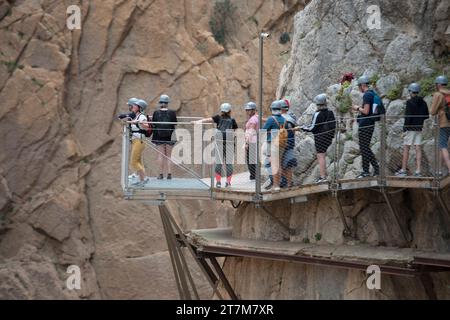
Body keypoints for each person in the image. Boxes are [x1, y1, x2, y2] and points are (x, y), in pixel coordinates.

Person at [195, 103, 238, 188]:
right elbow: (235, 131)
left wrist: (198, 122)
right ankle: (228, 182)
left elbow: (207, 120)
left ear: (221, 110)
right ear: (230, 111)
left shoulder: (218, 118)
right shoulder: (232, 120)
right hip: (229, 144)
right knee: (228, 164)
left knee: (219, 163)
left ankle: (218, 182)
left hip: (219, 143)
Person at [395, 83, 429, 177]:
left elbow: (408, 117)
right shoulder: (423, 102)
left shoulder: (410, 102)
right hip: (419, 127)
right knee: (418, 148)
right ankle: (418, 171)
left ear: (410, 91)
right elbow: (426, 115)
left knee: (406, 148)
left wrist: (404, 129)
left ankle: (403, 170)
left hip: (410, 128)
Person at [300, 94, 336, 183]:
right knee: (325, 155)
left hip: (320, 137)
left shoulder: (317, 114)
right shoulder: (330, 112)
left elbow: (312, 128)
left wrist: (302, 127)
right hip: (329, 137)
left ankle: (323, 176)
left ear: (318, 104)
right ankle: (326, 176)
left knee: (321, 156)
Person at [352, 75, 380, 179]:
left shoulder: (367, 95)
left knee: (364, 148)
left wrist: (357, 108)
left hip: (366, 125)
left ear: (363, 85)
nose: (359, 88)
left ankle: (366, 171)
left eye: (359, 86)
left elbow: (366, 111)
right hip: (369, 124)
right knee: (365, 148)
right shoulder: (372, 94)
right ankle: (374, 169)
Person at [151, 94, 178, 180]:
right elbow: (175, 123)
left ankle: (161, 174)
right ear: (167, 103)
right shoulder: (172, 112)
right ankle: (169, 174)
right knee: (169, 156)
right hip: (170, 135)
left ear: (160, 103)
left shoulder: (156, 113)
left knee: (160, 155)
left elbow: (154, 124)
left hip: (158, 136)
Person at [263, 100, 287, 191]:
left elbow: (264, 130)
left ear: (272, 109)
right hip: (281, 144)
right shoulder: (284, 119)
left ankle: (276, 185)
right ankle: (279, 184)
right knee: (279, 164)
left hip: (272, 144)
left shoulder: (271, 119)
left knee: (273, 165)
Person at [430, 75, 450, 175]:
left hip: (443, 122)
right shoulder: (449, 94)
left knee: (442, 145)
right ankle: (439, 170)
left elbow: (432, 111)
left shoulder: (438, 95)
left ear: (438, 85)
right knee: (443, 145)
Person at [129, 99, 150, 186]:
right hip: (135, 140)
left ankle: (144, 178)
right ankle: (141, 180)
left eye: (135, 106)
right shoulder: (136, 116)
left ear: (140, 108)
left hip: (139, 140)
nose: (133, 106)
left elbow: (147, 126)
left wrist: (139, 123)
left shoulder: (142, 117)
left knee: (133, 162)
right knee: (138, 161)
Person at [280, 99, 298, 187]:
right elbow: (294, 131)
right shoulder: (291, 118)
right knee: (288, 165)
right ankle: (289, 183)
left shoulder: (280, 119)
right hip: (290, 143)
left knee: (279, 165)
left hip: (282, 144)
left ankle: (287, 182)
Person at [244, 102, 258, 180]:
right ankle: (254, 175)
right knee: (252, 159)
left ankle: (253, 175)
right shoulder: (256, 117)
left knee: (250, 160)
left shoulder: (253, 119)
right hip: (254, 141)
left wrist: (246, 143)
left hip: (252, 141)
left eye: (249, 110)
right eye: (247, 110)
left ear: (253, 110)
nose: (247, 111)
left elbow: (251, 131)